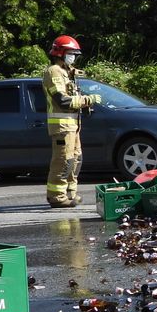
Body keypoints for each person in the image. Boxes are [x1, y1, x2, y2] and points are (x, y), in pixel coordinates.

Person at [42, 35, 100, 208]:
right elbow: (63, 100)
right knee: (63, 160)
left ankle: (70, 193)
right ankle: (57, 197)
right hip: (62, 126)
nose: (73, 57)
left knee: (75, 159)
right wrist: (87, 100)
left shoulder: (66, 72)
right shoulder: (53, 71)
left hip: (73, 125)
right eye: (71, 54)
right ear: (60, 53)